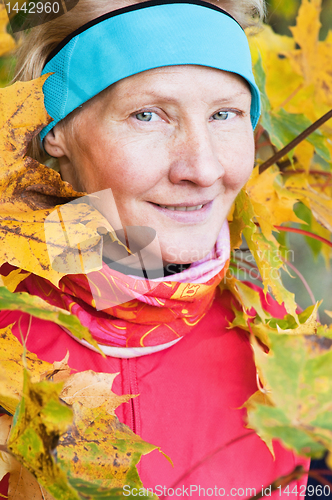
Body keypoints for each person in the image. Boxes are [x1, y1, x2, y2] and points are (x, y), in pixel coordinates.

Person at [0, 0, 310, 497]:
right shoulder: (8, 332)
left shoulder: (288, 355)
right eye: (148, 115)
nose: (202, 168)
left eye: (224, 114)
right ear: (56, 129)